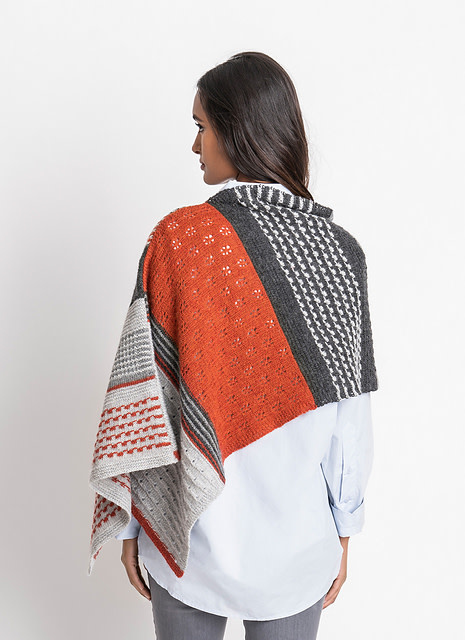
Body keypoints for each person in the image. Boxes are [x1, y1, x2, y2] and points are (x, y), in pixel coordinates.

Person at [88, 51, 378, 640]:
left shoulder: (177, 240)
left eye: (202, 126)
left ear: (236, 128)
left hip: (188, 542)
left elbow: (143, 401)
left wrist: (133, 522)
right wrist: (345, 525)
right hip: (298, 546)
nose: (195, 145)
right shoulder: (340, 255)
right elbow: (349, 422)